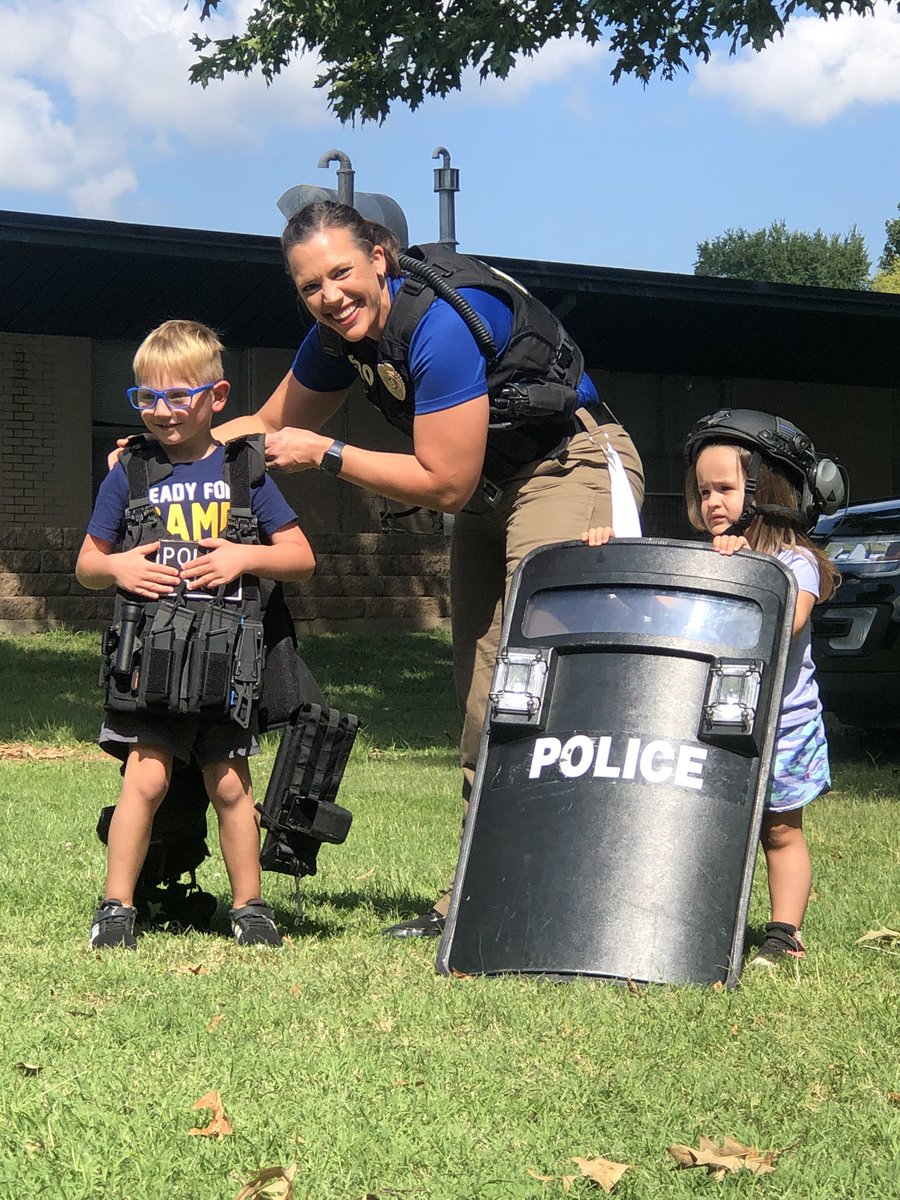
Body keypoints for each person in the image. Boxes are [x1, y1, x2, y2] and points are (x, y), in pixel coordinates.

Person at [213, 201, 644, 937]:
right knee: (481, 687)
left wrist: (329, 456)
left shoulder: (442, 325)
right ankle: (480, 892)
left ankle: (575, 886)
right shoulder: (334, 337)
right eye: (310, 285)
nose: (329, 296)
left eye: (342, 273)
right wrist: (157, 451)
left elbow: (440, 482)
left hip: (570, 469)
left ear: (380, 254)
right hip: (491, 491)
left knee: (539, 677)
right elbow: (267, 423)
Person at [77, 320, 316, 950]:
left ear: (217, 396)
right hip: (149, 660)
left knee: (231, 785)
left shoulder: (246, 472)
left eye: (178, 396)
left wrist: (244, 558)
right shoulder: (127, 472)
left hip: (226, 662)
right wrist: (118, 567)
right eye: (147, 397)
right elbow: (88, 564)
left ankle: (251, 908)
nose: (162, 410)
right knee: (145, 779)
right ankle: (115, 908)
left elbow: (300, 557)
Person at [586, 409, 841, 967]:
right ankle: (687, 914)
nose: (711, 504)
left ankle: (783, 933)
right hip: (713, 718)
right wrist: (611, 554)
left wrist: (741, 569)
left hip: (782, 727)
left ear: (766, 489)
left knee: (779, 831)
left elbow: (779, 622)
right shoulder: (707, 555)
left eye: (725, 488)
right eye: (704, 492)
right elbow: (660, 610)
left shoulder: (794, 563)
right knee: (703, 822)